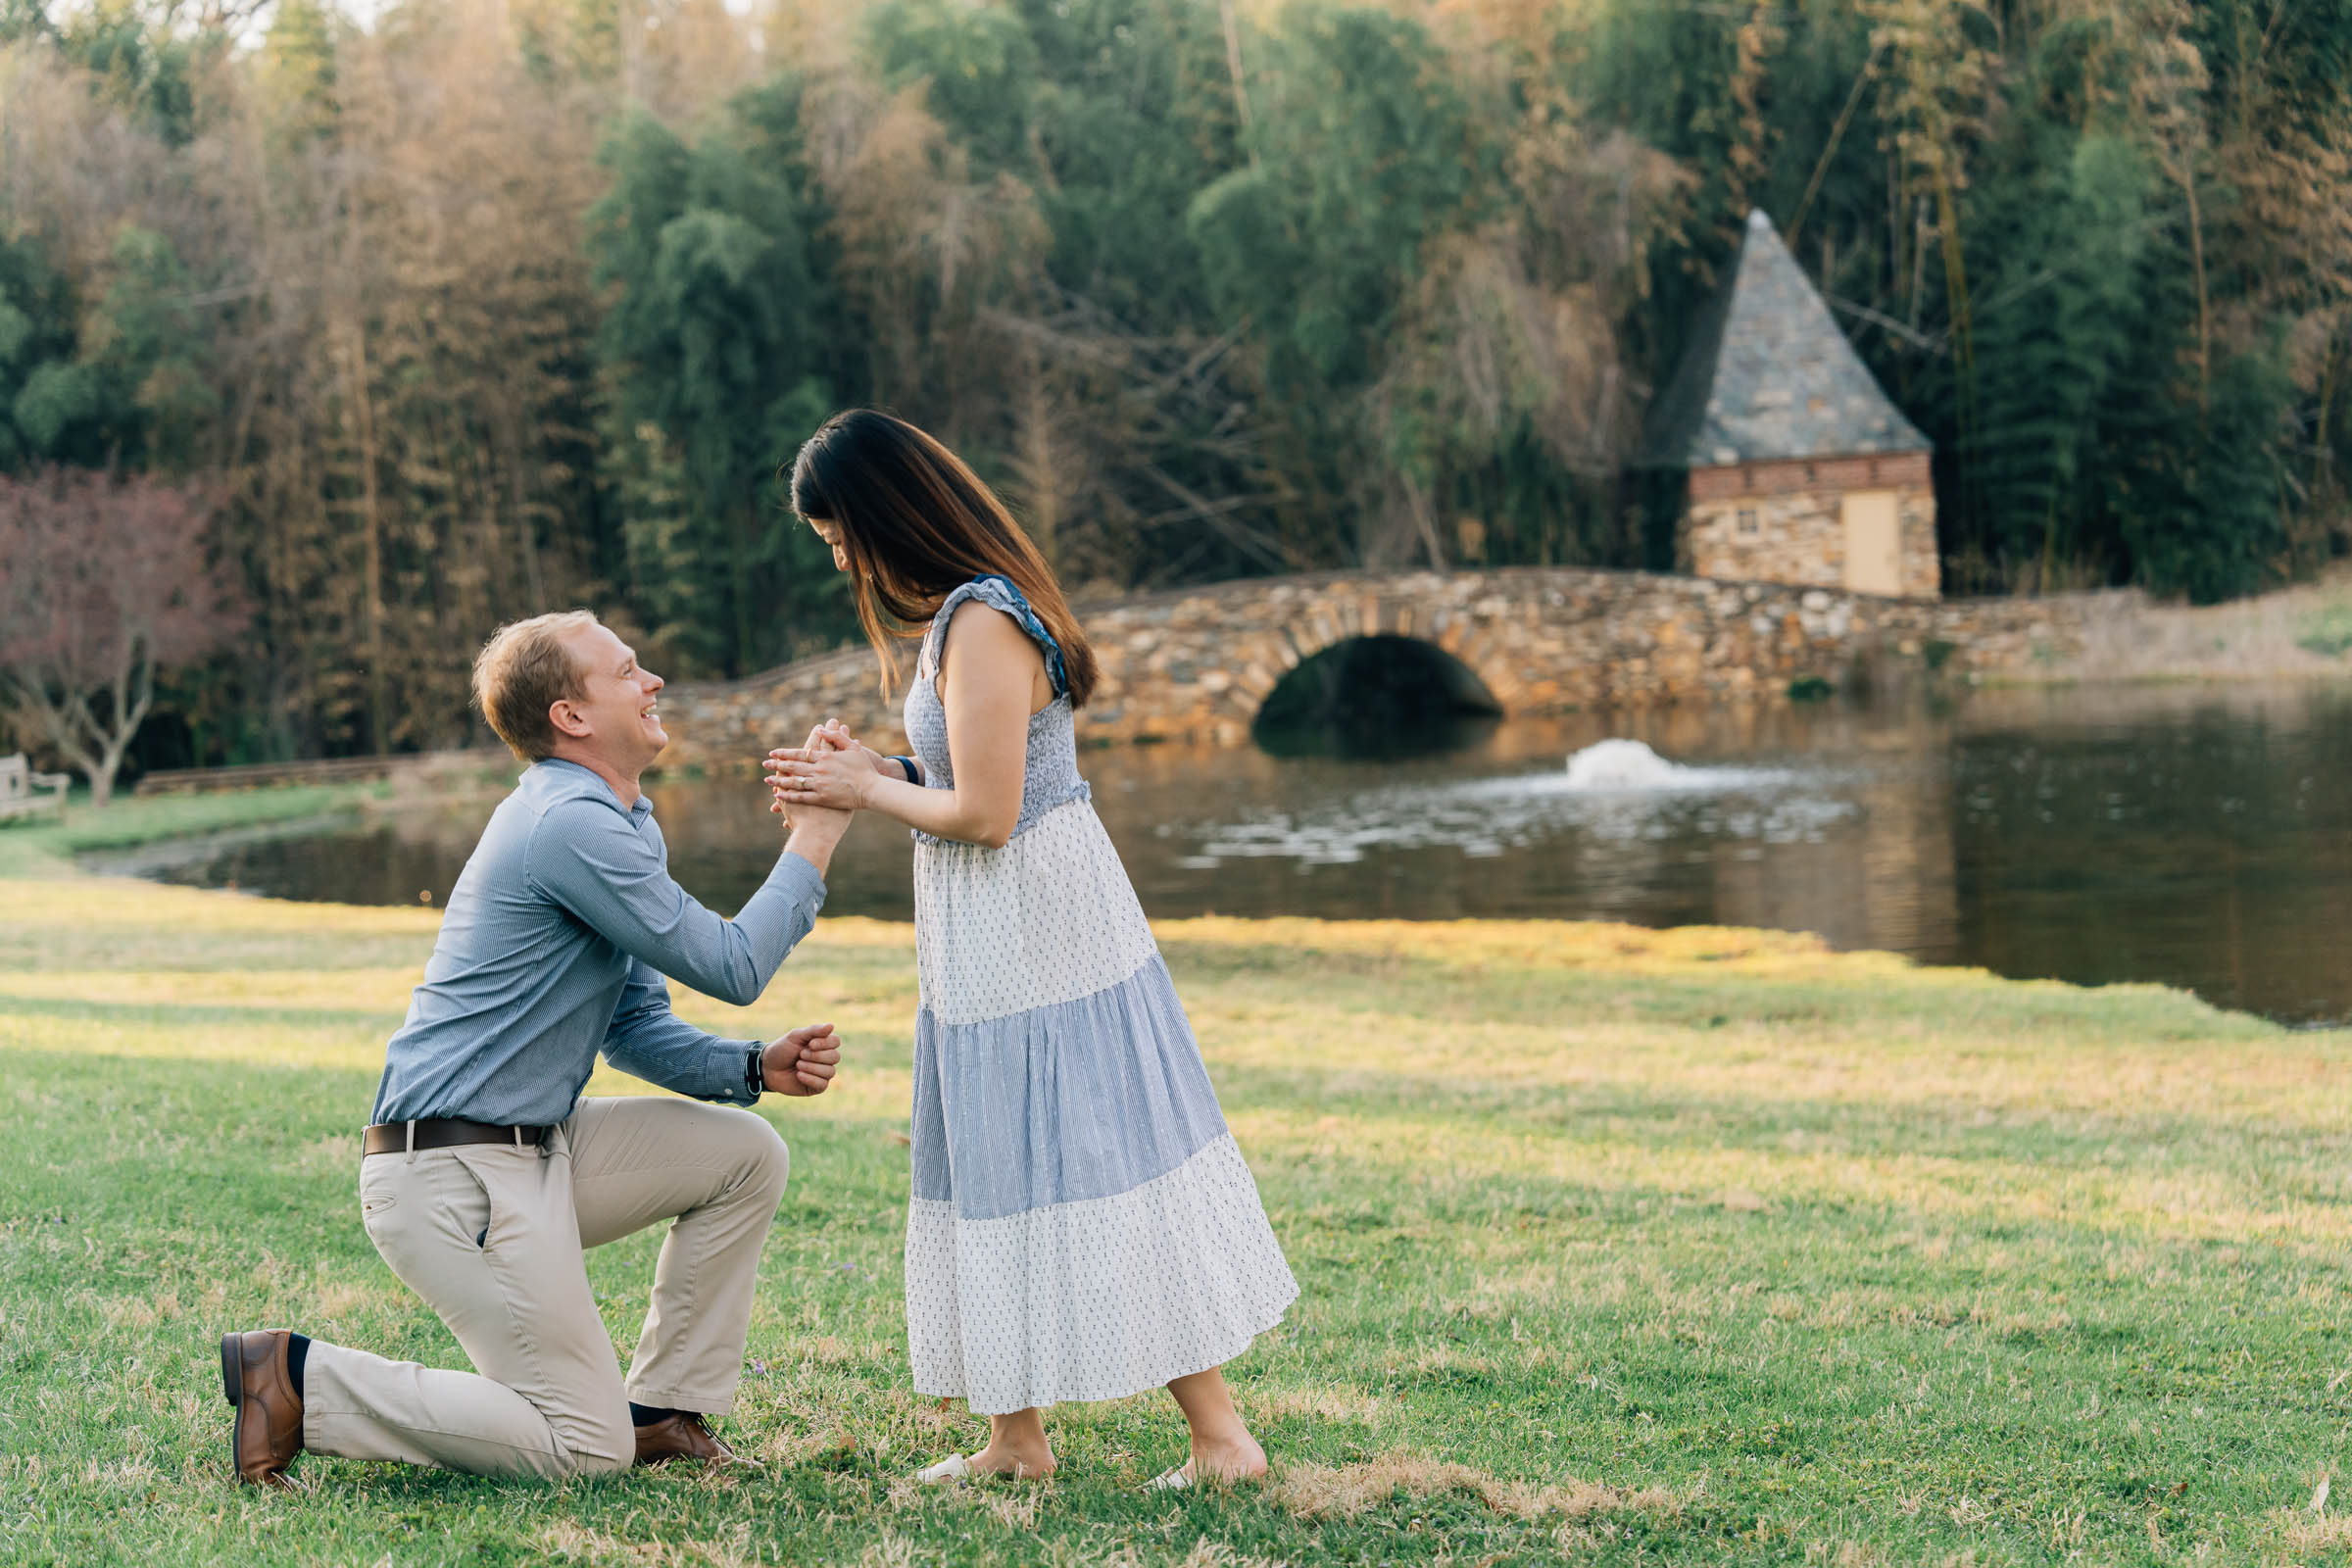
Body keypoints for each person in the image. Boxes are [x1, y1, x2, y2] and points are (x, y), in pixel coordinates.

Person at [765, 410, 1298, 1488]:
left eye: (838, 537)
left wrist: (864, 788)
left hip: (1040, 925)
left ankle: (1221, 1436)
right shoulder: (961, 619)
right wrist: (878, 768)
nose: (838, 560)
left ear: (883, 517)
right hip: (987, 931)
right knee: (991, 1153)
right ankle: (1017, 1439)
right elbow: (963, 781)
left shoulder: (984, 622)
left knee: (1097, 1148)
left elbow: (996, 813)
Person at [217, 610, 852, 1487]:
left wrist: (748, 1067)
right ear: (573, 717)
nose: (652, 680)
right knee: (583, 1451)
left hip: (538, 1147)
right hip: (449, 1178)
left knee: (745, 1155)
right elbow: (734, 965)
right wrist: (818, 829)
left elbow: (633, 1022)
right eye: (627, 671)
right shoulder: (566, 825)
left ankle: (661, 1411)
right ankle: (296, 1378)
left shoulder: (621, 821)